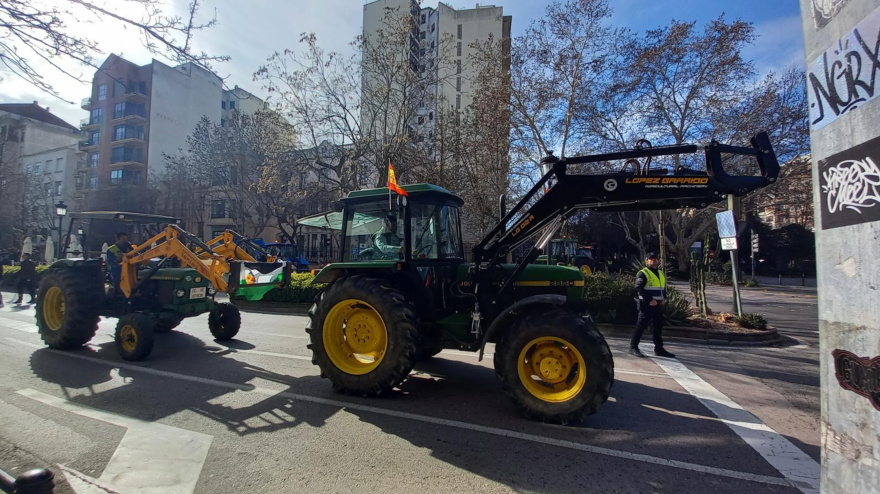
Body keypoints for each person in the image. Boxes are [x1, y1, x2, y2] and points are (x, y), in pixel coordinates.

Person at [630, 253, 676, 358]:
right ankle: (633, 347)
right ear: (646, 261)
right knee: (640, 326)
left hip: (658, 305)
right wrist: (649, 300)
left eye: (655, 259)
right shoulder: (643, 273)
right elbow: (639, 288)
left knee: (657, 328)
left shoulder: (660, 273)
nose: (653, 261)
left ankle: (659, 349)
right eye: (650, 259)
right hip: (646, 305)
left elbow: (662, 287)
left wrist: (664, 297)